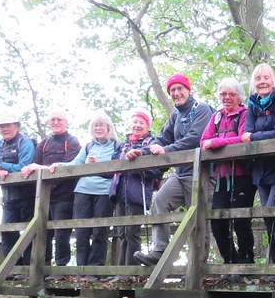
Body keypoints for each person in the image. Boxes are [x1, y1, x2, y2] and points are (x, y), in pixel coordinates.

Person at [132, 73, 214, 266]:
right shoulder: (175, 116)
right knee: (159, 200)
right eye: (172, 90)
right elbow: (161, 139)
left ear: (188, 89)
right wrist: (141, 152)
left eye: (179, 89)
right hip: (180, 174)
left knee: (200, 221)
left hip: (202, 174)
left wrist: (166, 150)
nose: (176, 93)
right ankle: (160, 251)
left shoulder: (201, 109)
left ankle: (198, 267)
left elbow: (196, 138)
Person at [242, 63, 275, 281]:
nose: (262, 81)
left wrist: (254, 137)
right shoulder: (252, 104)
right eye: (258, 79)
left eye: (266, 78)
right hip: (261, 169)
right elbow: (246, 130)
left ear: (273, 80)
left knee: (274, 213)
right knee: (267, 216)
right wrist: (251, 135)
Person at [50, 113, 119, 278]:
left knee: (100, 231)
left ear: (109, 128)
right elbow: (76, 163)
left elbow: (119, 168)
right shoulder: (88, 147)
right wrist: (60, 165)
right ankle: (81, 270)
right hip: (82, 191)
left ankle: (95, 270)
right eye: (95, 126)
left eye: (102, 125)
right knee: (81, 231)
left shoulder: (117, 146)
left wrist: (99, 166)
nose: (98, 128)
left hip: (103, 192)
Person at [202, 78, 255, 270]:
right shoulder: (216, 117)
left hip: (242, 176)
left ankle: (246, 262)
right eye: (223, 94)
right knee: (217, 221)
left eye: (231, 94)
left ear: (239, 97)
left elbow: (242, 139)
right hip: (221, 177)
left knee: (241, 219)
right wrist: (213, 142)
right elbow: (203, 141)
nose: (227, 98)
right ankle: (230, 262)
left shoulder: (244, 114)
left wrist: (216, 143)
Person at [23, 111, 81, 267]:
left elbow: (68, 167)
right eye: (52, 119)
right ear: (49, 122)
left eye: (59, 119)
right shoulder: (44, 143)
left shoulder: (72, 142)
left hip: (64, 196)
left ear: (65, 122)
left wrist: (40, 167)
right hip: (43, 196)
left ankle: (61, 268)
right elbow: (34, 164)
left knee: (62, 233)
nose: (56, 122)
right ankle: (44, 266)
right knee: (43, 232)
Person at [109, 111, 161, 270]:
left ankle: (130, 271)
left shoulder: (152, 143)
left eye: (142, 123)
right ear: (130, 124)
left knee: (132, 232)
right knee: (122, 232)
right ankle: (121, 270)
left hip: (138, 193)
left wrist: (135, 167)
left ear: (147, 126)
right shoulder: (122, 145)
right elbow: (113, 164)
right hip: (119, 192)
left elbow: (158, 170)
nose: (137, 125)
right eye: (135, 122)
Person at [0, 116, 36, 268]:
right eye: (1, 126)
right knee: (7, 232)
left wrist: (4, 166)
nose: (4, 129)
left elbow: (25, 166)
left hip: (28, 196)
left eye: (8, 125)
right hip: (8, 198)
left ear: (16, 126)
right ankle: (13, 268)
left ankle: (29, 267)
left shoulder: (25, 142)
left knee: (30, 232)